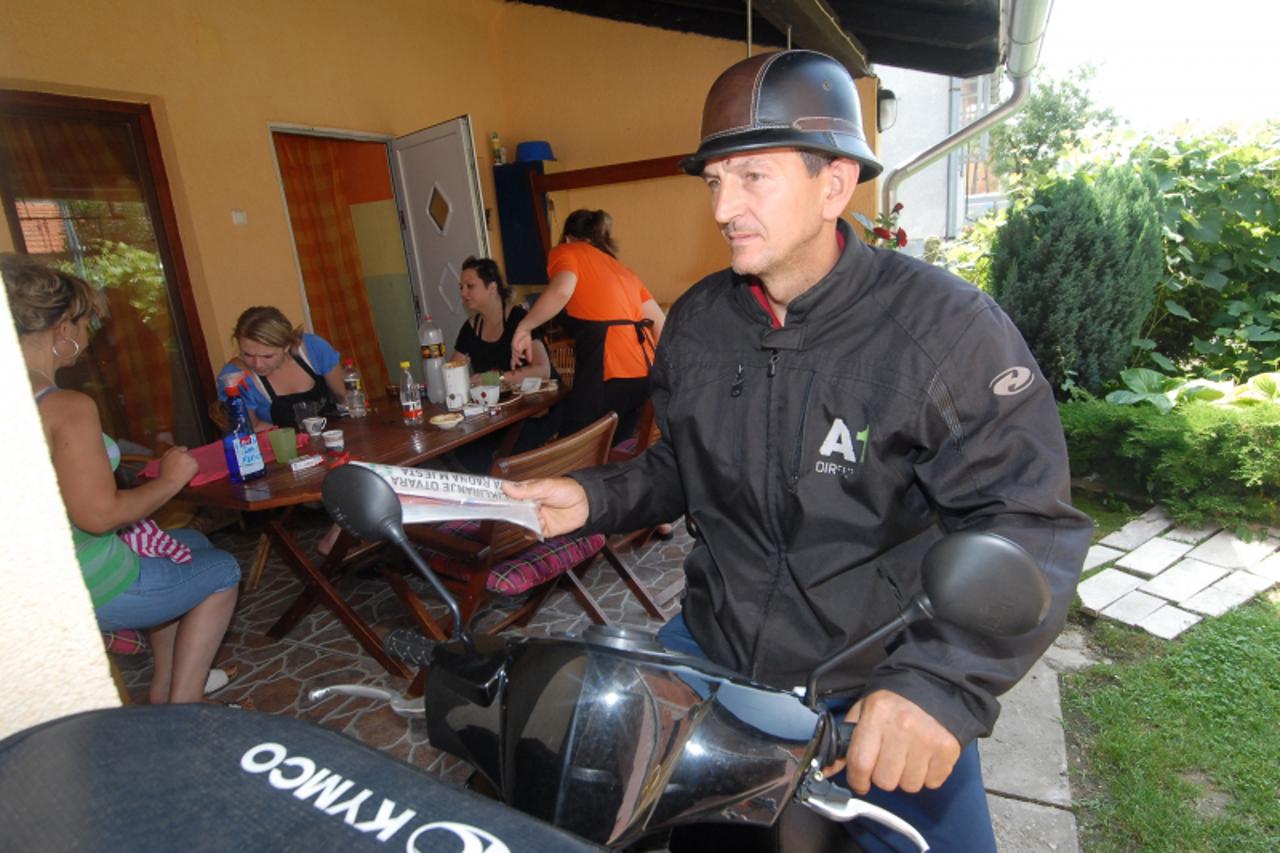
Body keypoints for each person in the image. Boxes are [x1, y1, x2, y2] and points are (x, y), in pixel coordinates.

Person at [505, 50, 1092, 852]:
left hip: (879, 687)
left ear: (835, 184)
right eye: (714, 181)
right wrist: (592, 498)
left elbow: (1029, 525)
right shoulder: (699, 324)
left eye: (752, 177)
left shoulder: (946, 331)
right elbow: (684, 464)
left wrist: (938, 684)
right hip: (720, 654)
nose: (722, 206)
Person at [4, 253, 242, 706]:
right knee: (222, 571)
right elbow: (100, 516)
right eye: (83, 324)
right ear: (60, 332)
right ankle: (185, 707)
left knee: (193, 544)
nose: (86, 335)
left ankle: (162, 689)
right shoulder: (65, 407)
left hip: (35, 576)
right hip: (89, 581)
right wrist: (171, 480)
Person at [510, 209, 665, 441]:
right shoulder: (622, 269)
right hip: (644, 375)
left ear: (569, 238)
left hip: (607, 371)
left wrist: (524, 326)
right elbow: (661, 324)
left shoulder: (566, 250)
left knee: (571, 448)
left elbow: (562, 289)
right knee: (610, 447)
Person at [217, 306, 346, 430]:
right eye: (247, 354)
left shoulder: (314, 348)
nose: (257, 364)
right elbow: (249, 428)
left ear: (286, 346)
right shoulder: (234, 376)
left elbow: (342, 396)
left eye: (268, 356)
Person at [454, 256, 551, 386]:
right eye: (461, 287)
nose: (463, 293)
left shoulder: (520, 319)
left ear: (492, 288)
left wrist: (496, 378)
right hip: (501, 404)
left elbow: (544, 371)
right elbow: (453, 373)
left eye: (470, 286)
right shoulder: (470, 328)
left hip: (541, 401)